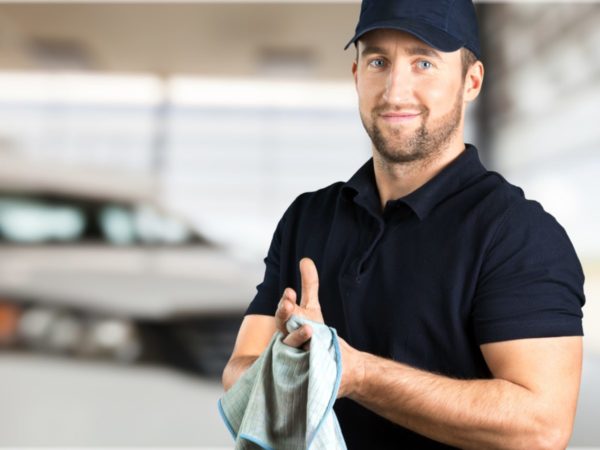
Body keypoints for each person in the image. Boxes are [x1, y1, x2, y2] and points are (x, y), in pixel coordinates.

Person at [222, 0, 586, 448]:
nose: (395, 91)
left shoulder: (516, 233)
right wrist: (290, 360)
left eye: (424, 63)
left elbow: (542, 426)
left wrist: (355, 373)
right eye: (378, 61)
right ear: (357, 77)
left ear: (471, 82)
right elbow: (238, 369)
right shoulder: (309, 217)